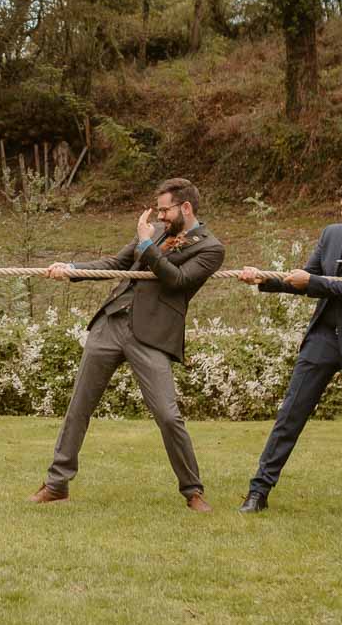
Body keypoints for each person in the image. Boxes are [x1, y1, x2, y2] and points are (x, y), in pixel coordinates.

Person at [30, 178, 224, 511]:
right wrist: (72, 270)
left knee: (167, 415)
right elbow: (117, 265)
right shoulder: (153, 234)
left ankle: (192, 490)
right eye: (159, 210)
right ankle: (56, 484)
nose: (161, 216)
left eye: (165, 210)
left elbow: (176, 281)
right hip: (111, 323)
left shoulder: (210, 248)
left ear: (186, 208)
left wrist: (147, 246)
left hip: (151, 335)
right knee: (79, 406)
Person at [236, 172, 342, 514]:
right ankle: (258, 492)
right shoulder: (330, 234)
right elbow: (305, 281)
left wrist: (312, 279)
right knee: (290, 417)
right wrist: (265, 279)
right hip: (323, 339)